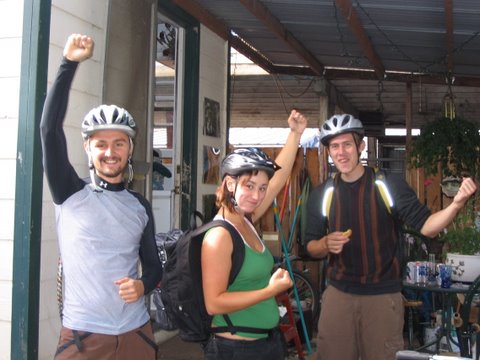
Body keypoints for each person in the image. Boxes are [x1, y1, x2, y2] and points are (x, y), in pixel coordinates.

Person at [304, 114, 477, 360]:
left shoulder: (387, 185)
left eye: (347, 145)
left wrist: (457, 204)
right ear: (328, 151)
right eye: (334, 146)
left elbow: (428, 227)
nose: (341, 152)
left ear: (361, 146)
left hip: (382, 296)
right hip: (338, 295)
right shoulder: (323, 193)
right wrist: (323, 244)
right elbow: (309, 246)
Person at [40, 34, 162, 359]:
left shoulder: (140, 206)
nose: (110, 152)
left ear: (130, 148)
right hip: (84, 337)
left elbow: (153, 267)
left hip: (137, 333)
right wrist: (69, 63)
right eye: (100, 144)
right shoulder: (70, 193)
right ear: (87, 148)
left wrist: (142, 286)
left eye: (119, 143)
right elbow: (48, 131)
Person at [201, 110, 308, 360]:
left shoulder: (246, 219)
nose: (257, 196)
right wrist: (270, 291)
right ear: (230, 184)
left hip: (265, 343)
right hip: (235, 349)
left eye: (261, 188)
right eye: (249, 186)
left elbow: (278, 179)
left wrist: (295, 134)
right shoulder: (219, 236)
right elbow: (214, 303)